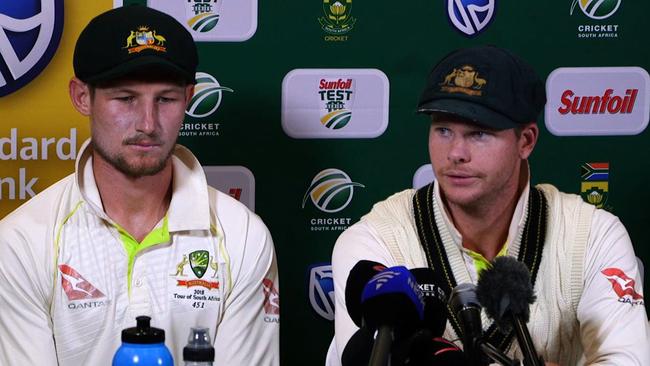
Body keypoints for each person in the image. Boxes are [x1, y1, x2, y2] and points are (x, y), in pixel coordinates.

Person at [329, 46, 649, 365]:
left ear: (526, 141)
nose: (456, 153)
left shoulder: (593, 235)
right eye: (443, 130)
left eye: (478, 133)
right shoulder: (375, 239)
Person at [0, 6, 279, 366]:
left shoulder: (242, 236)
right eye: (125, 98)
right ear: (82, 97)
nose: (148, 123)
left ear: (189, 99)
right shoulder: (21, 240)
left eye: (165, 99)